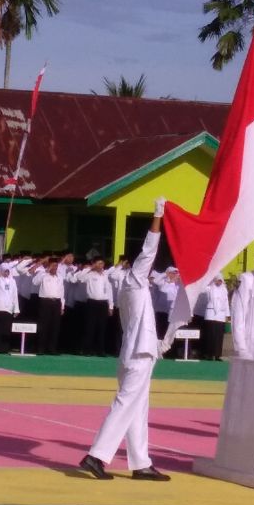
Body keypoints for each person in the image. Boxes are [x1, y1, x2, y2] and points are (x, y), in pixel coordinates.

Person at [79, 199, 172, 481]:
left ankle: (141, 462)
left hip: (139, 352)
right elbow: (149, 248)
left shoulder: (130, 287)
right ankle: (96, 456)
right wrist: (158, 216)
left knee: (137, 407)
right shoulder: (133, 281)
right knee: (126, 403)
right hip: (138, 355)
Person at [32, 258, 65, 355]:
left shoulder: (60, 277)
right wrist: (45, 271)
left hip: (56, 302)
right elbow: (35, 282)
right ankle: (40, 348)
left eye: (56, 266)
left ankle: (52, 348)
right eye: (53, 265)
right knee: (43, 325)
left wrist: (62, 306)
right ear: (49, 265)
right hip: (45, 301)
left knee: (55, 326)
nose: (55, 268)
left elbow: (62, 292)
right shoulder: (43, 274)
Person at [200, 274, 230, 361]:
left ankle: (217, 355)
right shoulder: (209, 288)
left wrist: (227, 315)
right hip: (211, 314)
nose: (219, 282)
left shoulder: (224, 290)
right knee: (210, 335)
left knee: (219, 336)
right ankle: (208, 354)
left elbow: (226, 303)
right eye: (217, 280)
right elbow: (202, 289)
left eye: (220, 280)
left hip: (220, 315)